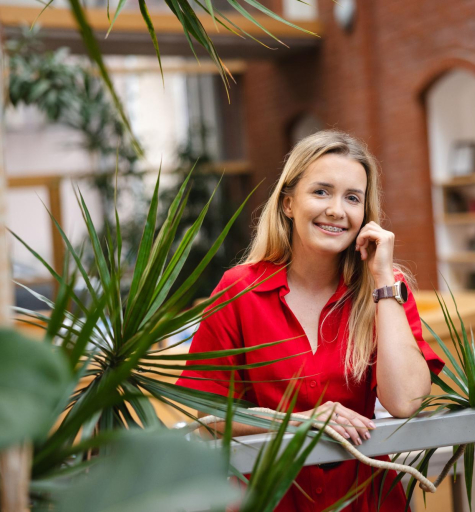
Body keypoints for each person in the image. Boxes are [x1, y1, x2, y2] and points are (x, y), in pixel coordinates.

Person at [176, 130, 445, 511]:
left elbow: (405, 401)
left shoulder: (386, 290)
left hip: (368, 500)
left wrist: (383, 281)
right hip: (272, 499)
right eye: (321, 192)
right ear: (288, 203)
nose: (337, 209)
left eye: (352, 198)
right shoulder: (238, 290)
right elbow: (206, 415)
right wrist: (300, 420)